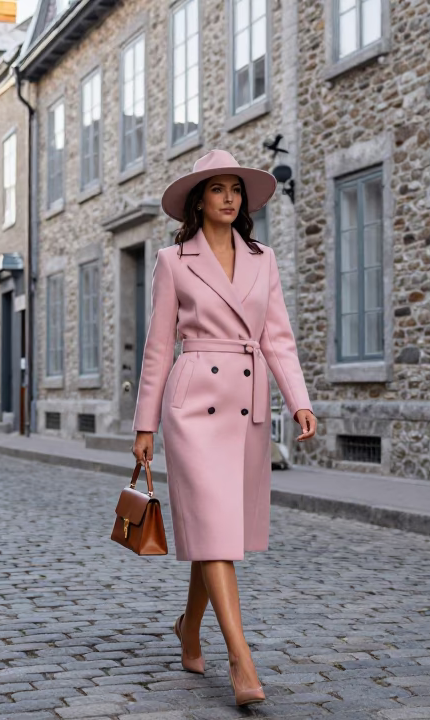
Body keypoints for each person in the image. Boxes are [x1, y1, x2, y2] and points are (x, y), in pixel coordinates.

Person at [131, 149, 318, 707]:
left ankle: (189, 628)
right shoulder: (173, 260)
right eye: (217, 189)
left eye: (236, 188)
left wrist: (299, 399)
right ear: (198, 200)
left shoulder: (264, 258)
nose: (230, 197)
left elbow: (277, 338)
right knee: (215, 526)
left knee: (219, 530)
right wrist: (145, 425)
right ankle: (240, 658)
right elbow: (158, 347)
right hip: (193, 404)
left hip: (246, 402)